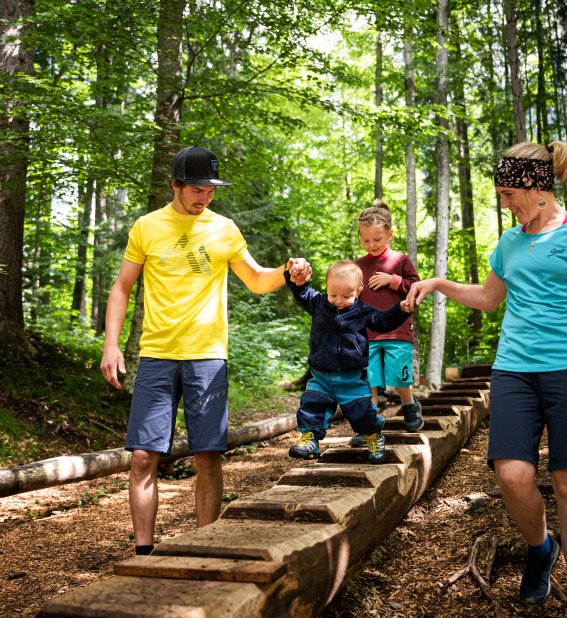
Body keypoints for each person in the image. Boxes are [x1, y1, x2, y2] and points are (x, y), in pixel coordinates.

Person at [100, 146, 311, 555]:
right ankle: (144, 553)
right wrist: (112, 345)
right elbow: (121, 288)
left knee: (208, 456)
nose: (205, 198)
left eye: (211, 190)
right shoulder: (146, 227)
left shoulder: (224, 229)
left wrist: (287, 273)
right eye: (197, 189)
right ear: (175, 185)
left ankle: (204, 549)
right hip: (158, 356)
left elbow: (256, 279)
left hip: (208, 358)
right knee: (144, 457)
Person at [404, 140, 567, 607]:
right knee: (513, 475)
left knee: (564, 482)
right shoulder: (510, 241)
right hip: (515, 369)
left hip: (565, 368)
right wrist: (437, 283)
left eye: (507, 192)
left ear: (537, 189)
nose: (503, 201)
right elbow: (489, 297)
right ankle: (541, 549)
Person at [284, 260, 412, 464]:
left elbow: (382, 321)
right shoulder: (318, 304)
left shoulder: (362, 311)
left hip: (351, 378)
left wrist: (401, 309)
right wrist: (295, 278)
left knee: (362, 412)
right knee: (311, 405)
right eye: (333, 294)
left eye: (346, 296)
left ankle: (373, 436)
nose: (338, 301)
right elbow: (302, 292)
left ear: (359, 291)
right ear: (326, 289)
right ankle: (310, 440)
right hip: (321, 375)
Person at [350, 202, 422, 450]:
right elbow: (351, 296)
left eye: (377, 239)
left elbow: (416, 288)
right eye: (366, 240)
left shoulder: (401, 260)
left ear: (390, 234)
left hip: (397, 332)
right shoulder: (358, 266)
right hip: (366, 335)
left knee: (398, 377)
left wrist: (393, 280)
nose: (371, 245)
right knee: (368, 381)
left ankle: (410, 405)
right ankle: (368, 425)